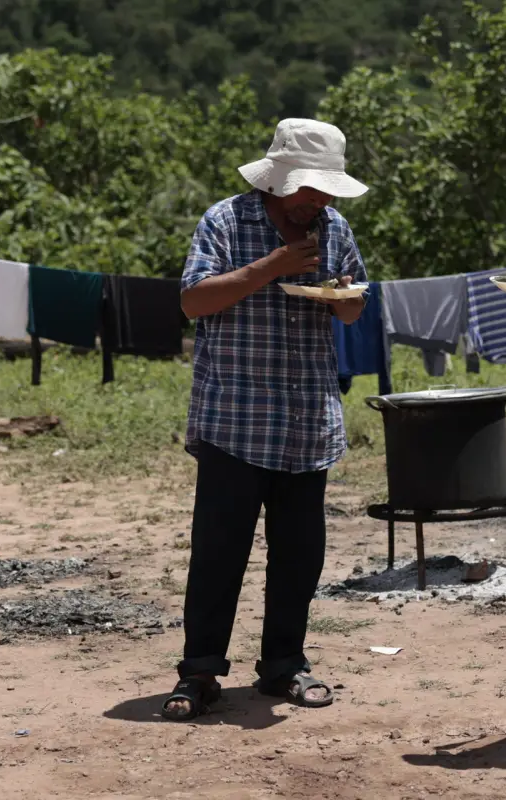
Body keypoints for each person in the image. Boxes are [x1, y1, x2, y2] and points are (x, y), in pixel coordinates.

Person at [162, 118, 370, 721]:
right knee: (218, 555)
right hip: (236, 420)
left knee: (299, 556)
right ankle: (199, 671)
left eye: (328, 191)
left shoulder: (335, 228)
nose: (321, 202)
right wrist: (271, 267)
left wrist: (347, 298)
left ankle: (284, 665)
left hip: (307, 421)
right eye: (312, 190)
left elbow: (354, 306)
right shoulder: (226, 220)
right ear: (278, 181)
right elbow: (193, 299)